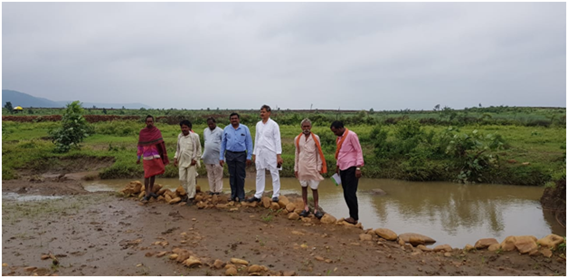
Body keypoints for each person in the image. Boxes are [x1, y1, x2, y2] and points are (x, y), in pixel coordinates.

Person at [330, 121, 364, 225]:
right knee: (345, 193)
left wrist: (358, 168)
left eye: (335, 131)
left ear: (340, 128)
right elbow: (340, 153)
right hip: (342, 167)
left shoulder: (351, 135)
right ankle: (351, 216)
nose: (334, 133)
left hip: (351, 167)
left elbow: (358, 150)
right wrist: (337, 166)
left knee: (351, 193)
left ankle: (354, 217)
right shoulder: (339, 138)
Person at [247, 105, 283, 203]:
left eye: (263, 112)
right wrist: (254, 153)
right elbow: (257, 139)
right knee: (259, 172)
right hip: (260, 152)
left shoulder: (274, 125)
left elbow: (277, 140)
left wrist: (278, 155)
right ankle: (258, 194)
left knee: (274, 172)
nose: (261, 114)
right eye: (261, 112)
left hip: (271, 152)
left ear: (269, 113)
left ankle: (275, 194)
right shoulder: (258, 124)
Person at [294, 118, 327, 219]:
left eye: (308, 126)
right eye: (304, 126)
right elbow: (297, 153)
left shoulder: (315, 137)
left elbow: (318, 153)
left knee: (314, 188)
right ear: (301, 127)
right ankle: (306, 208)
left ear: (311, 127)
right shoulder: (298, 138)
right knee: (303, 187)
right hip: (302, 166)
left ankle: (316, 209)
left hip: (313, 166)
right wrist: (296, 167)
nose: (306, 128)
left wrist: (319, 166)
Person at [220, 113, 253, 202]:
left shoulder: (245, 129)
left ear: (238, 119)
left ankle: (241, 196)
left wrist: (249, 156)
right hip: (230, 154)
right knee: (232, 175)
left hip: (241, 155)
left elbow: (249, 143)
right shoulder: (226, 129)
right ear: (230, 120)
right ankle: (233, 195)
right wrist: (221, 157)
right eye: (232, 118)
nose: (234, 120)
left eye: (235, 118)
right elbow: (223, 143)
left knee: (240, 176)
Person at [136, 115, 169, 202]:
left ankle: (151, 190)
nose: (150, 123)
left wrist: (162, 155)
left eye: (151, 121)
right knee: (147, 175)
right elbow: (140, 146)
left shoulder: (156, 131)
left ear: (153, 122)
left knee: (153, 174)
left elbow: (161, 143)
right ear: (145, 122)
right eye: (148, 121)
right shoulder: (142, 132)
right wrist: (138, 157)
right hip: (146, 156)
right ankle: (146, 192)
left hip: (155, 155)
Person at [174, 120, 201, 205]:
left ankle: (191, 197)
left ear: (189, 128)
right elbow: (178, 149)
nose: (184, 129)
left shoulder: (194, 136)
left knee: (190, 180)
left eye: (185, 127)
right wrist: (175, 158)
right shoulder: (180, 136)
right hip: (182, 160)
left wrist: (195, 159)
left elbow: (198, 149)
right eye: (182, 127)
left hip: (191, 160)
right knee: (182, 179)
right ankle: (186, 193)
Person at [202, 117, 224, 195]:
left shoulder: (221, 131)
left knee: (218, 173)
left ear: (215, 123)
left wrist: (222, 156)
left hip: (217, 156)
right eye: (209, 124)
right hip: (207, 155)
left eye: (212, 124)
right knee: (210, 173)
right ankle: (212, 190)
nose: (210, 125)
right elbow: (205, 141)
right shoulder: (205, 131)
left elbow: (224, 143)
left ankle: (218, 190)